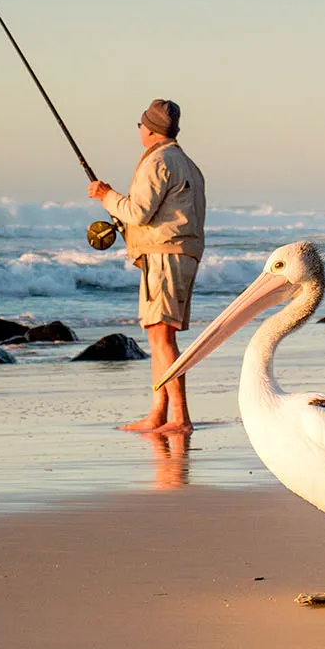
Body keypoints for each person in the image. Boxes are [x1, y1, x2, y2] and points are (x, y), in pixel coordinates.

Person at [88, 98, 207, 434]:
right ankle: (158, 413)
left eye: (140, 125)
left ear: (151, 129)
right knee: (158, 335)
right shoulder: (187, 163)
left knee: (162, 336)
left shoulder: (159, 161)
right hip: (178, 253)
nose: (139, 130)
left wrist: (106, 195)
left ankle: (179, 418)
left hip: (165, 256)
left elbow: (139, 212)